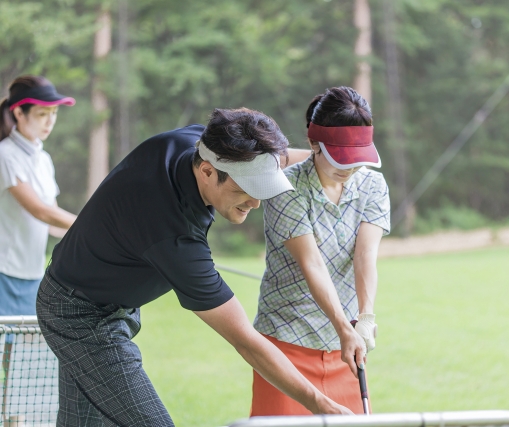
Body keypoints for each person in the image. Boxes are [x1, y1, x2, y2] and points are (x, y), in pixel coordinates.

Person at [36, 108, 350, 425]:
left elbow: (272, 157)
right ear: (206, 172)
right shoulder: (174, 236)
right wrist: (319, 403)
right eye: (245, 188)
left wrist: (333, 162)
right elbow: (247, 342)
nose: (255, 202)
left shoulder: (201, 142)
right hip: (77, 314)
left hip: (103, 297)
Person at [251, 86, 391, 415]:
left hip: (345, 349)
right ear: (314, 143)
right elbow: (311, 264)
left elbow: (365, 255)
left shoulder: (372, 186)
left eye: (358, 160)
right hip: (285, 345)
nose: (350, 168)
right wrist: (345, 329)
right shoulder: (285, 188)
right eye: (341, 159)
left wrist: (365, 318)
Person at [0, 75, 77, 317]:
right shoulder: (5, 155)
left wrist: (95, 240)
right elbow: (40, 210)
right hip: (3, 274)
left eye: (53, 113)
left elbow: (52, 222)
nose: (50, 121)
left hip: (33, 277)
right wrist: (89, 224)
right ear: (19, 114)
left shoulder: (43, 160)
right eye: (42, 114)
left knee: (22, 355)